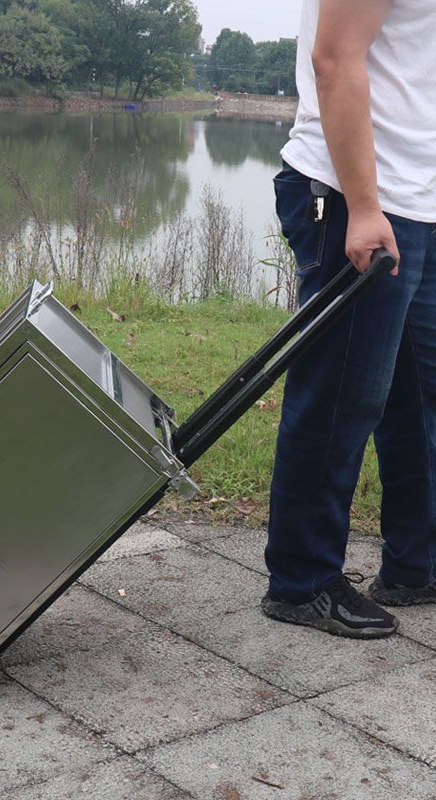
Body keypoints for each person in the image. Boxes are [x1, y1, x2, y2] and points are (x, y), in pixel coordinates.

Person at [262, 0, 436, 638]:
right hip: (357, 197)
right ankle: (302, 580)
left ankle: (417, 565)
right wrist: (364, 207)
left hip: (419, 199)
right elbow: (334, 58)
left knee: (420, 401)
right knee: (342, 397)